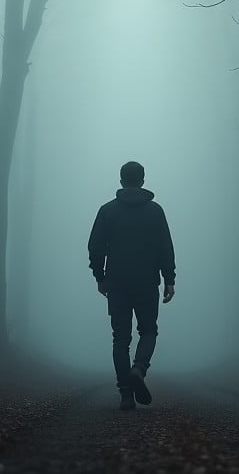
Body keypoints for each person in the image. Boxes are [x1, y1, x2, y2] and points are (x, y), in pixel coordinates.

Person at [88, 161, 176, 411]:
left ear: (120, 180)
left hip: (117, 283)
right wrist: (169, 279)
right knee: (148, 331)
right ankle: (139, 368)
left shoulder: (107, 211)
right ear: (143, 180)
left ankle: (126, 394)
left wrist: (100, 277)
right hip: (147, 283)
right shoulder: (156, 211)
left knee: (120, 338)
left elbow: (95, 247)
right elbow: (165, 248)